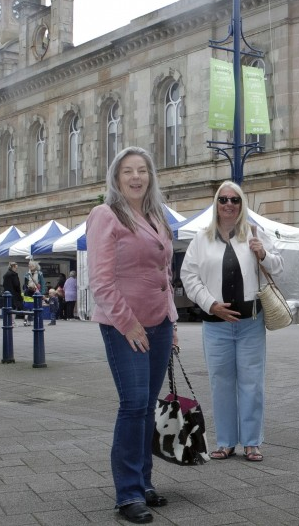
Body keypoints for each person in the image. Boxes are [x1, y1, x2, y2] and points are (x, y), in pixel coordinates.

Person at [86, 146, 179, 524]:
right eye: (128, 171)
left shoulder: (156, 215)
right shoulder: (105, 215)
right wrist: (128, 323)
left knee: (147, 406)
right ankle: (127, 495)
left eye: (143, 170)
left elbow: (164, 276)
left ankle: (143, 483)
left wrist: (171, 322)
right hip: (125, 327)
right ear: (116, 177)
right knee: (134, 405)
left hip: (159, 326)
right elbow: (101, 281)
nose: (136, 177)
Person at [181, 181, 283, 464]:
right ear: (216, 204)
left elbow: (279, 267)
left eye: (235, 200)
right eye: (223, 200)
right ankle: (225, 442)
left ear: (242, 204)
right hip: (216, 324)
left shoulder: (253, 233)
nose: (229, 204)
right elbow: (189, 277)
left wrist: (262, 253)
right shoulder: (201, 239)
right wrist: (210, 304)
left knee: (252, 383)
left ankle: (251, 442)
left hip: (250, 321)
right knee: (221, 383)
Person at [23, 260, 46, 327]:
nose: (30, 266)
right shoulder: (27, 274)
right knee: (27, 307)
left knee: (35, 307)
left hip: (36, 292)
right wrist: (26, 289)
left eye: (32, 265)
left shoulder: (39, 274)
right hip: (28, 292)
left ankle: (34, 320)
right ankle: (26, 320)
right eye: (29, 265)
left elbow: (42, 283)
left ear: (35, 266)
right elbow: (25, 284)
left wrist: (42, 293)